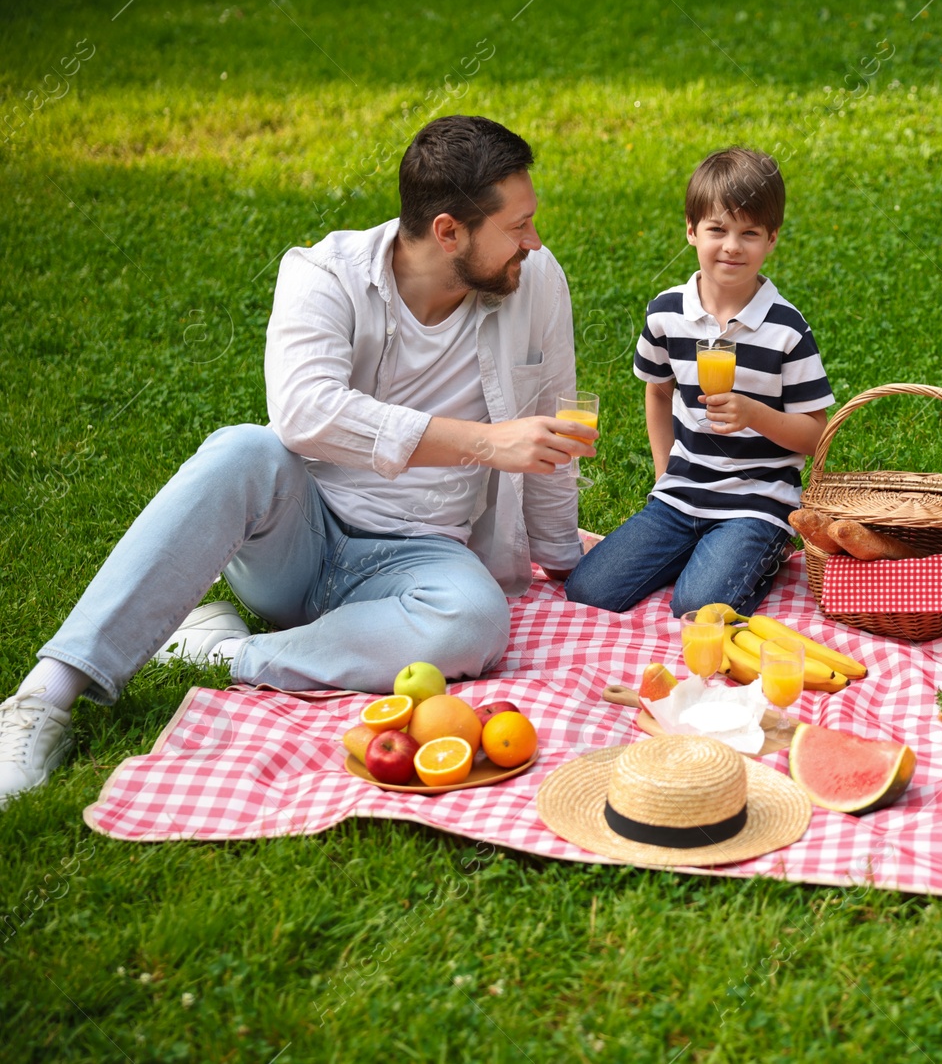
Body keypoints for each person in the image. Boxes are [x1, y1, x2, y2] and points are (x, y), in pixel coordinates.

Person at [0, 115, 596, 807]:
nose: (536, 240)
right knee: (243, 448)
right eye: (518, 226)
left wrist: (562, 558)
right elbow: (305, 412)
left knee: (477, 621)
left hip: (423, 557)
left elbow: (555, 424)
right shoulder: (325, 275)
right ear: (448, 231)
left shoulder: (537, 281)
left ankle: (225, 654)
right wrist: (484, 441)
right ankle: (45, 696)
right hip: (300, 540)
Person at [565, 148, 833, 617]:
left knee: (697, 605)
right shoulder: (667, 313)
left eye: (749, 233)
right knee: (589, 590)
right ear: (691, 230)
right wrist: (662, 472)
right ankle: (698, 550)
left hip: (757, 502)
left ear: (771, 239)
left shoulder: (786, 328)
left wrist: (754, 414)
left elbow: (816, 436)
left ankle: (757, 552)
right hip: (681, 493)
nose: (732, 246)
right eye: (717, 230)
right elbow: (657, 390)